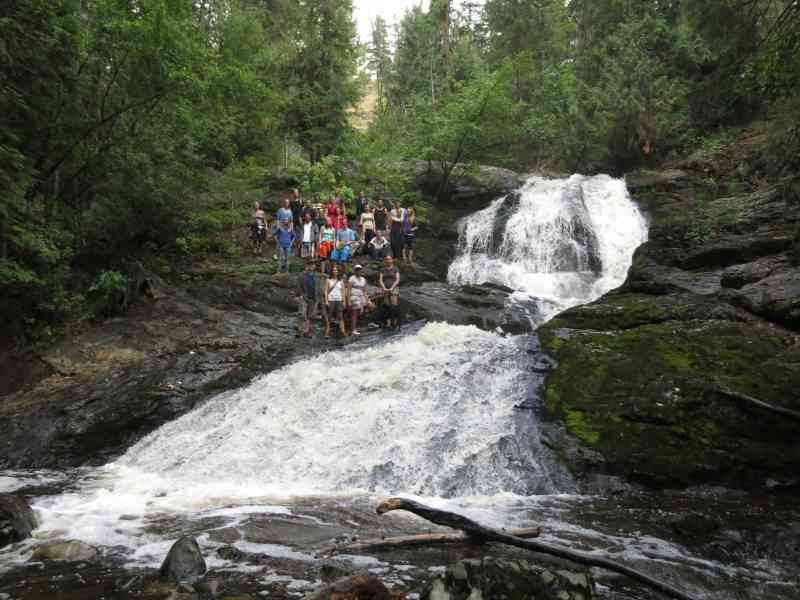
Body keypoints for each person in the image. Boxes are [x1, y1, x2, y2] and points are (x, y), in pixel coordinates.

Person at [324, 264, 347, 338]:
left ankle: (343, 331)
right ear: (331, 272)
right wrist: (326, 301)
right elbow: (326, 291)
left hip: (339, 300)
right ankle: (327, 332)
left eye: (336, 270)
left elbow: (343, 292)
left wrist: (344, 301)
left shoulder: (341, 281)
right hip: (331, 300)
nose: (335, 271)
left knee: (340, 316)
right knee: (329, 316)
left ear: (338, 272)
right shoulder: (328, 280)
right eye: (333, 270)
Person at [295, 261, 316, 337]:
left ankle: (306, 331)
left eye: (312, 265)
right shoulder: (302, 275)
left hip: (312, 298)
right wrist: (299, 295)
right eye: (309, 264)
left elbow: (316, 287)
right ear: (306, 266)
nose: (311, 266)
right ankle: (299, 331)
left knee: (308, 316)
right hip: (303, 297)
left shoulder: (315, 276)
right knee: (302, 314)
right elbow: (298, 286)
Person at [379, 255, 400, 329]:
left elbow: (397, 279)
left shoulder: (395, 268)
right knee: (387, 305)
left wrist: (392, 288)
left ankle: (395, 321)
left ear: (392, 260)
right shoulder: (383, 269)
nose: (388, 261)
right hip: (385, 289)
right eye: (387, 259)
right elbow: (380, 279)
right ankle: (388, 322)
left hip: (394, 288)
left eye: (389, 259)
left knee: (394, 305)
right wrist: (384, 288)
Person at [347, 264, 369, 336]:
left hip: (361, 296)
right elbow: (349, 290)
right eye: (357, 270)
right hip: (354, 296)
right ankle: (353, 329)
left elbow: (364, 290)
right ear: (355, 271)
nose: (358, 271)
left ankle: (364, 324)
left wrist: (367, 299)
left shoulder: (363, 279)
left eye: (359, 269)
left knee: (370, 306)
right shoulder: (352, 278)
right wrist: (348, 300)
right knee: (355, 313)